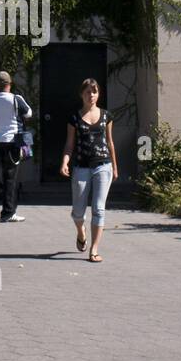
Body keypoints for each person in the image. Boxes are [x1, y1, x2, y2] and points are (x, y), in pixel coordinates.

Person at [59, 78, 116, 263]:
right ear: (81, 95)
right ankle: (81, 233)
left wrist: (114, 166)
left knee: (99, 209)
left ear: (98, 94)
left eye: (95, 91)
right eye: (88, 92)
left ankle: (94, 249)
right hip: (81, 167)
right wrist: (64, 162)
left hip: (103, 166)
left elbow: (110, 142)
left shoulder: (106, 116)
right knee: (78, 212)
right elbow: (69, 144)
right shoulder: (74, 118)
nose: (91, 95)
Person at [0, 70, 32, 223]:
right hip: (13, 139)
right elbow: (28, 113)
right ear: (9, 83)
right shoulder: (15, 98)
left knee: (6, 174)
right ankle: (8, 212)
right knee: (11, 177)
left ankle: (8, 210)